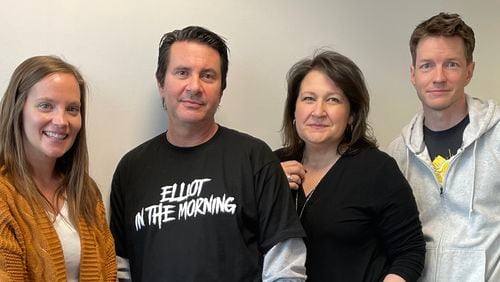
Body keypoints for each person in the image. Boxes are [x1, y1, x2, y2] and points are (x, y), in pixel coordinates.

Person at [109, 26, 306, 282]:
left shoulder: (255, 158)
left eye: (208, 76)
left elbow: (285, 268)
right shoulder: (131, 169)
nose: (194, 86)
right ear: (161, 83)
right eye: (182, 73)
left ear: (221, 88)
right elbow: (120, 267)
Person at [276, 50, 425, 282]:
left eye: (333, 99)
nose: (318, 112)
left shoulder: (377, 170)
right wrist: (268, 188)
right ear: (294, 109)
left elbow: (410, 252)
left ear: (352, 114)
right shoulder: (272, 166)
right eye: (308, 98)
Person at [387, 12, 500, 281]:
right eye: (427, 65)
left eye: (451, 64)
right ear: (413, 74)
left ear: (469, 71)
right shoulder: (396, 154)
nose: (438, 77)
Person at [0, 56, 116, 281]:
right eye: (46, 106)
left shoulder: (86, 192)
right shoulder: (4, 196)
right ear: (18, 109)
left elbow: (109, 272)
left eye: (72, 109)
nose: (61, 121)